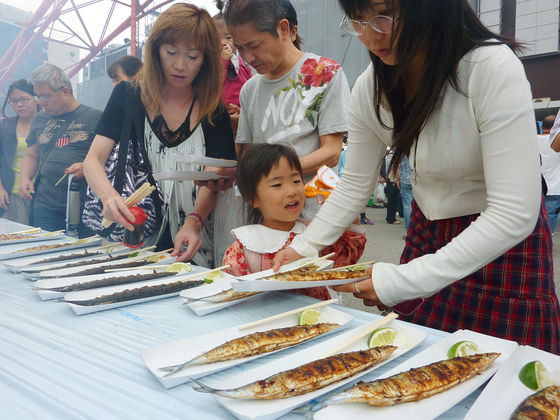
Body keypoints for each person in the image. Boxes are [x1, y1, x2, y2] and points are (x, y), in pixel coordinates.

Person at [272, 0, 560, 354]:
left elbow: (514, 212)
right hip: (429, 232)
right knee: (419, 368)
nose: (372, 35)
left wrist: (402, 280)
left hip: (502, 240)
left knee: (508, 375)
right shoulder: (369, 88)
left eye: (384, 15)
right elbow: (354, 185)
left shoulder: (490, 67)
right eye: (358, 21)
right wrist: (302, 248)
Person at [84, 4, 236, 267]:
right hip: (133, 231)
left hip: (192, 241)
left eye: (192, 56)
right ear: (155, 50)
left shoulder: (214, 109)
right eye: (171, 52)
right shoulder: (127, 95)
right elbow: (93, 160)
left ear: (206, 60)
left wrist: (193, 223)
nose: (180, 66)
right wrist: (109, 198)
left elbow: (214, 180)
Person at [223, 0, 350, 219]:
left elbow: (331, 152)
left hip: (313, 214)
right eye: (240, 48)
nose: (247, 58)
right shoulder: (250, 89)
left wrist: (274, 177)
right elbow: (248, 152)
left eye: (254, 46)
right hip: (265, 216)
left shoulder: (325, 73)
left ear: (283, 29)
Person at [223, 143, 366, 300]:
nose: (292, 191)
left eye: (296, 181)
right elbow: (236, 295)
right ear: (253, 198)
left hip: (316, 320)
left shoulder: (315, 234)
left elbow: (347, 256)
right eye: (277, 184)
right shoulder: (243, 248)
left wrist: (348, 207)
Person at [19, 64, 100, 236]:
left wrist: (87, 166)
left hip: (87, 205)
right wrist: (25, 178)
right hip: (45, 204)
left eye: (45, 96)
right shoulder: (39, 119)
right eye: (37, 96)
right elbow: (32, 155)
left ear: (65, 91)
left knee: (86, 255)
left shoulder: (96, 117)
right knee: (45, 252)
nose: (40, 101)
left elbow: (110, 158)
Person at [0, 79, 40, 224]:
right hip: (12, 195)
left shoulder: (49, 124)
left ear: (36, 98)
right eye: (14, 101)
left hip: (43, 196)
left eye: (24, 99)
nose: (19, 104)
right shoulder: (4, 127)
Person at [213, 1, 253, 135]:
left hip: (243, 113)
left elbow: (251, 86)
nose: (223, 43)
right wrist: (223, 61)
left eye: (229, 37)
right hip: (222, 115)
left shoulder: (243, 63)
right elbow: (213, 84)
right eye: (216, 39)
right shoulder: (211, 65)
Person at [538, 115, 560, 232]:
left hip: (536, 187)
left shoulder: (532, 141)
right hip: (554, 188)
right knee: (549, 221)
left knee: (535, 220)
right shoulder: (557, 143)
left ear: (542, 126)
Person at [396, 154, 412, 232]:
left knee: (407, 206)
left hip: (405, 179)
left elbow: (397, 166)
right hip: (418, 179)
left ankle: (409, 231)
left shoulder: (402, 149)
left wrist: (397, 180)